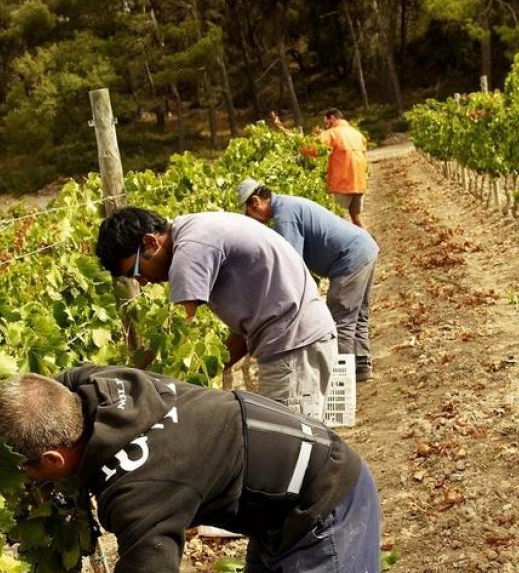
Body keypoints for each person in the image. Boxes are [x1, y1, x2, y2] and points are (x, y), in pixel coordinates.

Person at [0, 365, 382, 573]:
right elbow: (52, 388)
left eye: (27, 472)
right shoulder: (100, 386)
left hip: (323, 505)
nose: (27, 482)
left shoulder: (138, 491)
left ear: (54, 460)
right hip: (280, 496)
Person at [95, 207, 338, 422]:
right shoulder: (194, 229)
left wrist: (126, 379)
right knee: (304, 446)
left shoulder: (188, 251)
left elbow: (173, 333)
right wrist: (206, 372)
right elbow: (245, 330)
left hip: (294, 350)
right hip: (304, 339)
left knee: (294, 450)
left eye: (136, 272)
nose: (143, 282)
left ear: (150, 242)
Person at [238, 178, 378, 382]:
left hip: (350, 259)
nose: (254, 220)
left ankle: (340, 382)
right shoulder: (286, 205)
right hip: (364, 247)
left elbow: (292, 263)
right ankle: (361, 367)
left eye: (248, 213)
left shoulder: (283, 217)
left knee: (341, 320)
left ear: (256, 202)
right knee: (358, 314)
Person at [273, 108, 369, 229]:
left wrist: (283, 131)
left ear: (332, 118)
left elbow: (308, 145)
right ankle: (371, 242)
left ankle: (343, 246)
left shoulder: (332, 133)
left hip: (342, 184)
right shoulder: (357, 134)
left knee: (336, 220)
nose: (326, 126)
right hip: (359, 184)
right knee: (356, 217)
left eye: (326, 122)